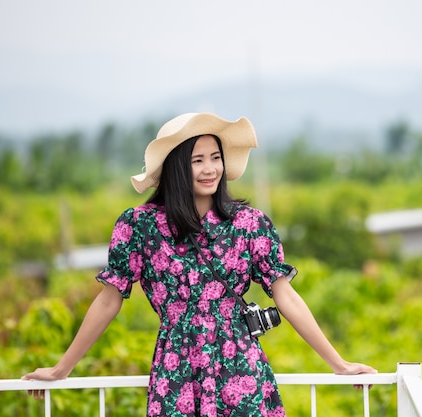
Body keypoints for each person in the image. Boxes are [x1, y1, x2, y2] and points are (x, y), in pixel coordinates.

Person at [22, 112, 376, 416]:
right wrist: (61, 369)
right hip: (176, 373)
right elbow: (108, 301)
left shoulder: (249, 223)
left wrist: (339, 364)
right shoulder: (139, 226)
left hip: (241, 370)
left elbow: (287, 297)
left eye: (215, 157)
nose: (211, 169)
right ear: (177, 166)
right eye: (197, 160)